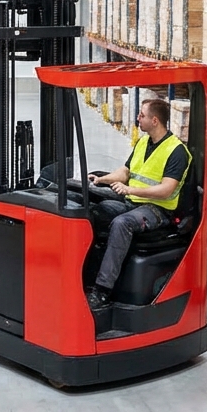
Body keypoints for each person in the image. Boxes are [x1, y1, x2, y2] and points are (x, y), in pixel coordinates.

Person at [85, 97, 191, 312]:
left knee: (122, 223)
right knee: (92, 211)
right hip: (133, 202)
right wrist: (101, 179)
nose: (137, 118)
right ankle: (85, 275)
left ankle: (102, 290)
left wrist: (130, 190)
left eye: (141, 115)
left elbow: (166, 189)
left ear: (154, 120)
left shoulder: (176, 150)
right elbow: (125, 172)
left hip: (159, 210)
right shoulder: (143, 142)